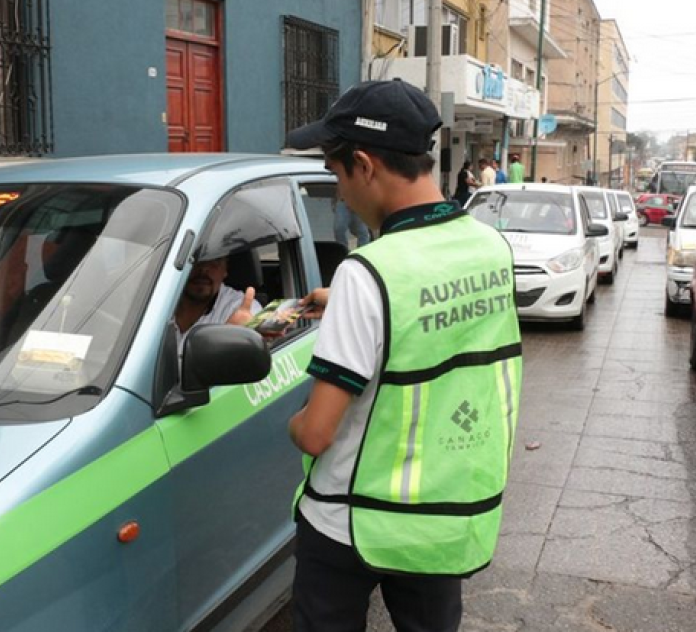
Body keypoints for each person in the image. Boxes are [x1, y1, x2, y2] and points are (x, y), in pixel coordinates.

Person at [284, 79, 523, 632]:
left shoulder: (367, 273)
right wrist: (344, 304)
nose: (340, 191)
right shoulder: (490, 247)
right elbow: (439, 330)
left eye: (336, 173)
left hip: (352, 520)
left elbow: (317, 433)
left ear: (364, 165)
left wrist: (293, 423)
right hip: (444, 515)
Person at [172, 256, 261, 351]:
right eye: (195, 260)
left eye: (214, 262)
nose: (203, 269)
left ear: (225, 270)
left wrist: (232, 336)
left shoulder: (240, 308)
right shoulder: (158, 297)